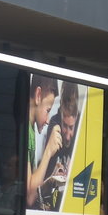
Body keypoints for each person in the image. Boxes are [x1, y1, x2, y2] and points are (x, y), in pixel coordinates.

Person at [26, 76, 62, 208]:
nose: (47, 121)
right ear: (38, 95)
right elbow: (30, 196)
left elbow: (33, 184)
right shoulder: (27, 132)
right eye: (48, 110)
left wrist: (51, 179)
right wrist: (48, 152)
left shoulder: (30, 131)